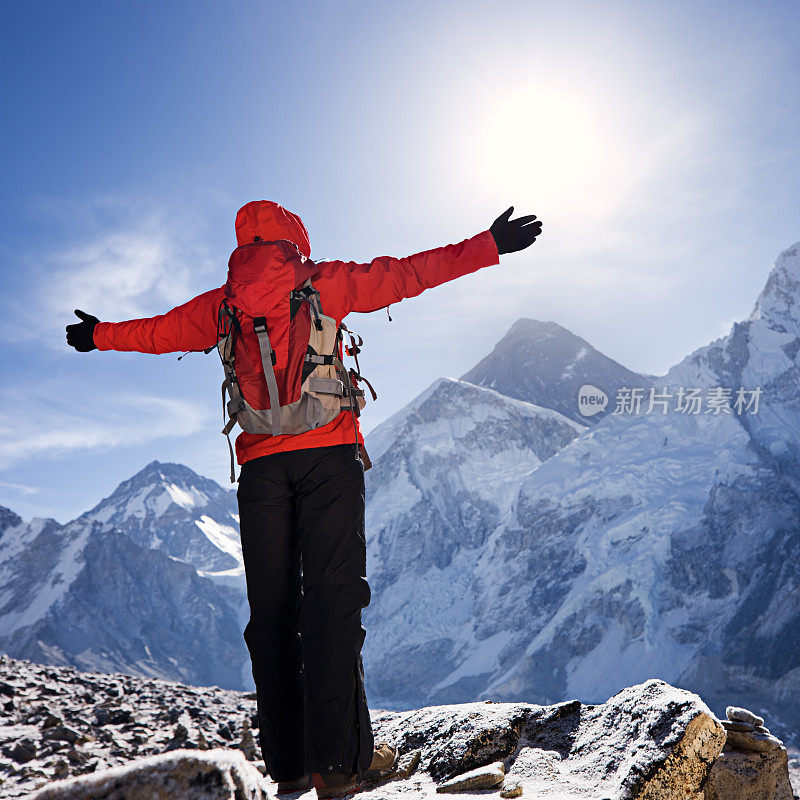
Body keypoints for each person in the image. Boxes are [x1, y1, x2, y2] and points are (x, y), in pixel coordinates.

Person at [66, 200, 542, 799]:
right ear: (293, 238)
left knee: (272, 616)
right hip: (329, 459)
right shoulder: (323, 282)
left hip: (262, 470)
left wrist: (97, 334)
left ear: (244, 243)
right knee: (332, 607)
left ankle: (286, 771)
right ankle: (336, 771)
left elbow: (158, 332)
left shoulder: (223, 305)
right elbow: (408, 274)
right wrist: (488, 245)